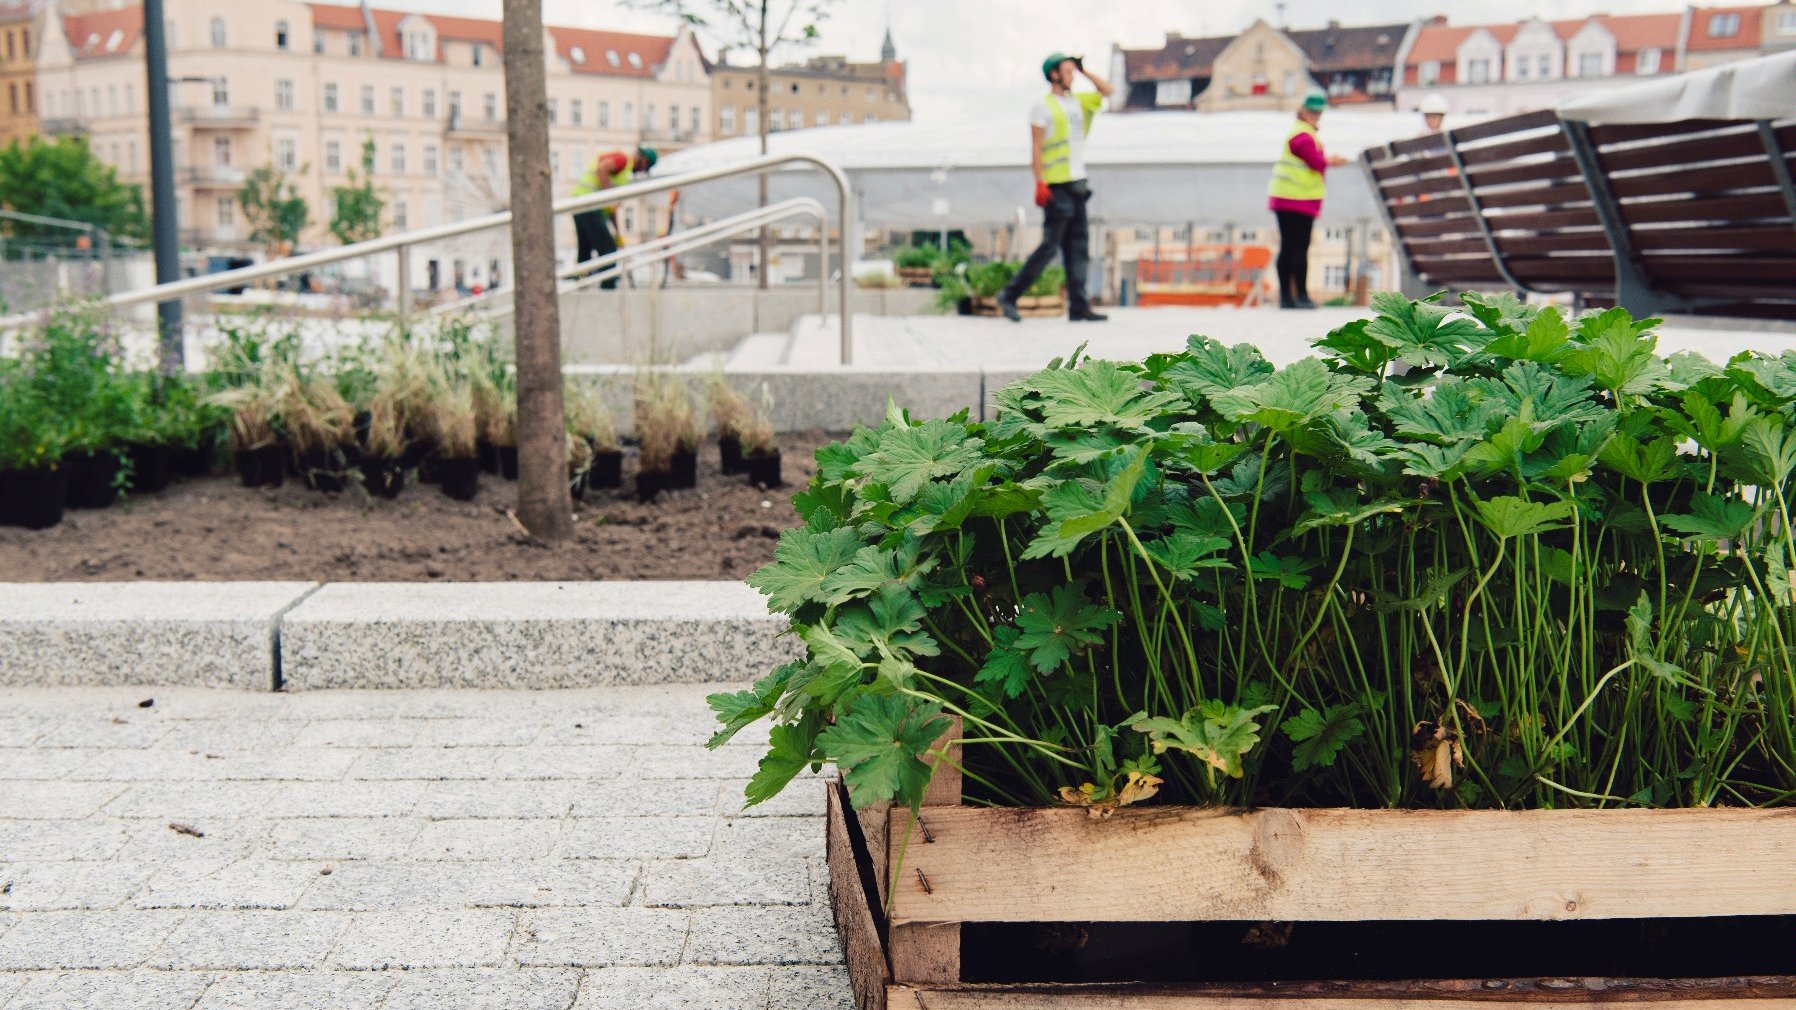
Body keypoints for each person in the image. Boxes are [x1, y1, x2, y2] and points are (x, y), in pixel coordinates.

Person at [997, 52, 1115, 323]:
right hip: (1056, 185)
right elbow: (1036, 147)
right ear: (1054, 75)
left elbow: (1108, 90)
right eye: (1068, 71)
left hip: (1077, 183)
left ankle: (1078, 306)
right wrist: (1039, 182)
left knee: (1078, 246)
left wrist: (1084, 70)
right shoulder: (1042, 107)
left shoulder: (1078, 102)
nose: (1072, 76)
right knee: (1050, 247)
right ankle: (1009, 295)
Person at [1267, 90, 1347, 310]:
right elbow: (1313, 160)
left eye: (1318, 112)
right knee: (1298, 247)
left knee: (1289, 246)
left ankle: (1288, 297)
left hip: (1287, 197)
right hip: (1298, 198)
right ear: (1302, 111)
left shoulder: (1300, 132)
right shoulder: (1303, 134)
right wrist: (1331, 161)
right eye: (1312, 111)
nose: (1315, 115)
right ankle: (1300, 296)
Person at [572, 145, 658, 289]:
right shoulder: (623, 160)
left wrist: (617, 233)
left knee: (585, 248)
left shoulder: (623, 176)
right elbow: (602, 169)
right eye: (645, 167)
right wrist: (609, 197)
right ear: (643, 160)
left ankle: (581, 285)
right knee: (609, 249)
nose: (642, 171)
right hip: (589, 203)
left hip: (580, 203)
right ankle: (608, 287)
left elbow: (611, 210)